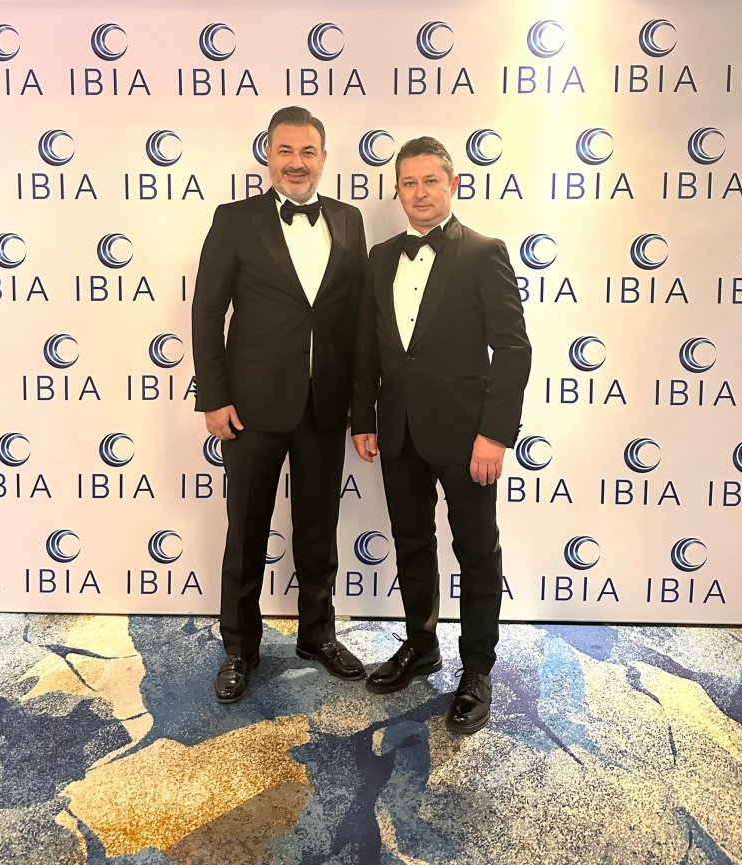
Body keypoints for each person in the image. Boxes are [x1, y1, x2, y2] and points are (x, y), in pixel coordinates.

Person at [351, 136, 531, 734]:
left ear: (452, 185)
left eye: (431, 180)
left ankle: (477, 670)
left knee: (477, 552)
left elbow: (513, 349)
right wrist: (363, 418)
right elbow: (367, 345)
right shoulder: (381, 257)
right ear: (397, 191)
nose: (420, 192)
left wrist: (495, 435)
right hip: (398, 430)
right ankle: (421, 644)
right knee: (411, 542)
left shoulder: (483, 252)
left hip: (467, 437)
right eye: (409, 182)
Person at [192, 106, 368, 704]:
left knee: (320, 528)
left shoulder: (348, 220)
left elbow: (354, 321)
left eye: (308, 152)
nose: (297, 163)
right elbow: (206, 311)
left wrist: (358, 403)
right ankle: (240, 648)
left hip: (325, 405)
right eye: (285, 151)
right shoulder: (234, 219)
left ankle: (318, 636)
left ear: (324, 158)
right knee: (246, 531)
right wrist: (214, 398)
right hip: (251, 407)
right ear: (268, 155)